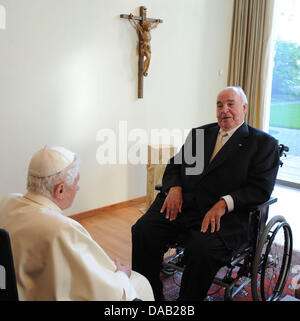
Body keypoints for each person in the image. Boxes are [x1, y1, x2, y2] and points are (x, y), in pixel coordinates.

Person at [131, 86, 280, 301]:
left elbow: (260, 188)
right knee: (143, 231)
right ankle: (149, 296)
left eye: (231, 104)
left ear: (244, 108)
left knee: (201, 249)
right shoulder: (200, 134)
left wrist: (224, 203)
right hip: (184, 206)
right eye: (219, 105)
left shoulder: (263, 144)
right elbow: (175, 166)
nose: (224, 110)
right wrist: (174, 187)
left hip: (226, 216)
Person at [0, 146, 153, 301]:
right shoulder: (61, 228)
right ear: (60, 190)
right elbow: (103, 289)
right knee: (140, 283)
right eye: (76, 182)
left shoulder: (7, 202)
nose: (78, 187)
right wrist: (121, 276)